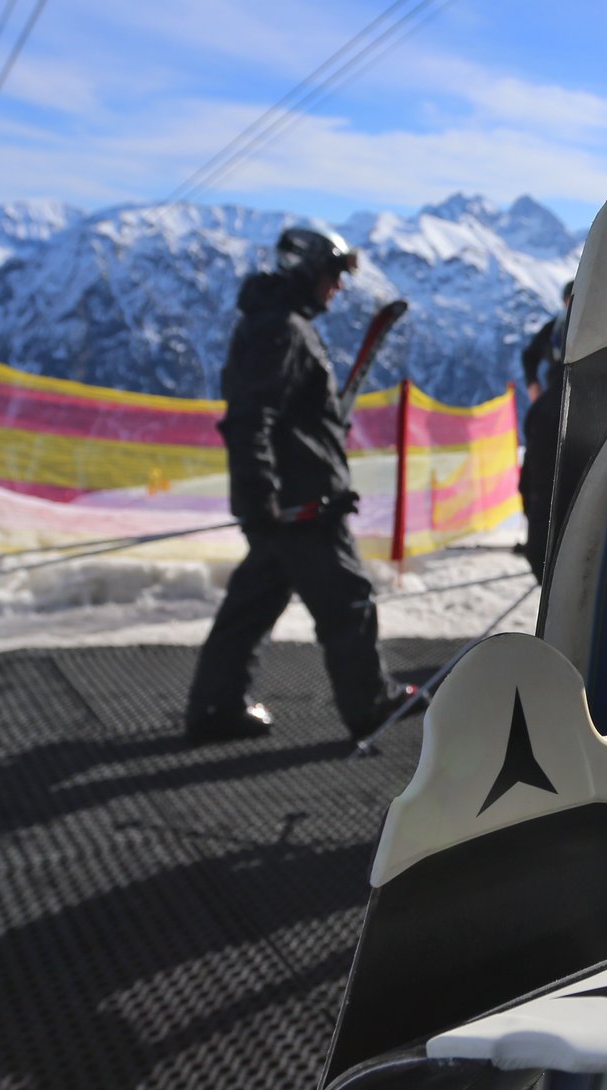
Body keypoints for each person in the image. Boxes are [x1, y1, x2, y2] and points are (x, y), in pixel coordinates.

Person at [186, 227, 416, 742]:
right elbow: (253, 415)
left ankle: (215, 707)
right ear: (307, 272)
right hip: (301, 502)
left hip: (288, 496)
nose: (337, 286)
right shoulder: (283, 330)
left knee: (253, 603)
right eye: (333, 275)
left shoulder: (275, 324)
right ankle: (370, 705)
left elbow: (278, 415)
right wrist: (262, 491)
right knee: (349, 599)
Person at [518, 281, 573, 579]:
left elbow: (529, 356)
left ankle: (540, 554)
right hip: (581, 400)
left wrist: (533, 385)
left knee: (540, 479)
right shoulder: (591, 320)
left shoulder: (556, 325)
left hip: (549, 404)